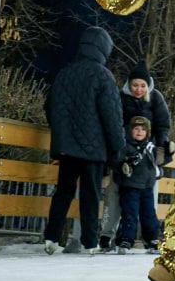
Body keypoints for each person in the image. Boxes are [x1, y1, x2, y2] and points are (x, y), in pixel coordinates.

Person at [43, 26, 125, 255]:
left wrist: (62, 133)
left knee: (63, 192)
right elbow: (112, 116)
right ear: (103, 49)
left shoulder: (65, 73)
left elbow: (49, 106)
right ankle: (90, 242)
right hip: (93, 150)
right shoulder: (103, 76)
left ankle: (51, 238)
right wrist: (118, 148)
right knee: (90, 195)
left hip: (67, 148)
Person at [100, 63, 172, 251]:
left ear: (148, 86)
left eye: (142, 86)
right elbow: (113, 122)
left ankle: (151, 238)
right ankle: (111, 235)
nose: (138, 89)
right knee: (119, 199)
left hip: (147, 156)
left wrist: (161, 146)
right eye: (135, 85)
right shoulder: (121, 98)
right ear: (128, 85)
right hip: (124, 151)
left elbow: (163, 124)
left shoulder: (155, 98)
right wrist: (118, 150)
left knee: (148, 204)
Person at [114, 116, 162, 254]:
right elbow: (117, 161)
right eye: (136, 129)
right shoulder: (125, 146)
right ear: (130, 131)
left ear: (148, 132)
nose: (139, 132)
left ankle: (152, 239)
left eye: (143, 129)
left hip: (147, 187)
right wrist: (124, 165)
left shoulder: (151, 147)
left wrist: (166, 151)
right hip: (130, 187)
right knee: (130, 213)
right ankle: (126, 239)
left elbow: (160, 160)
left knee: (149, 214)